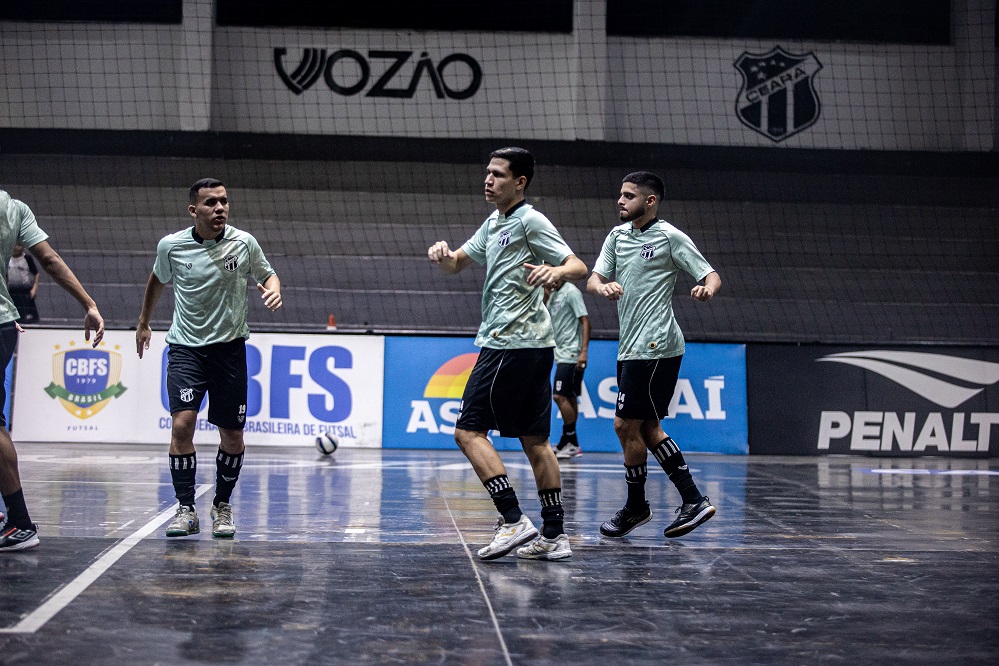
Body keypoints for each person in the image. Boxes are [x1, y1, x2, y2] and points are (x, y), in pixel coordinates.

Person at [428, 147, 587, 561]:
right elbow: (459, 264)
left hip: (510, 343)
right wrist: (444, 257)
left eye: (498, 174)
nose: (488, 180)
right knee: (535, 441)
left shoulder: (530, 220)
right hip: (532, 346)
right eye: (487, 173)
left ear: (520, 182)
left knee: (467, 432)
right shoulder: (493, 223)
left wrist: (556, 270)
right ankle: (554, 535)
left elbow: (577, 266)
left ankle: (513, 519)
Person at [136, 178, 281, 539]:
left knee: (232, 435)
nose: (220, 208)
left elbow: (268, 274)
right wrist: (143, 323)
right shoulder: (171, 246)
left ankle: (222, 505)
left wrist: (274, 290)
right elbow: (157, 279)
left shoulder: (243, 243)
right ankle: (185, 508)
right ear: (193, 210)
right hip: (186, 349)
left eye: (224, 202)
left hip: (229, 350)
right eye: (211, 203)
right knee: (182, 425)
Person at [587, 171, 722, 539]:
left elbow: (711, 275)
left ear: (650, 202)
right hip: (630, 346)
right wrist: (604, 287)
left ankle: (640, 507)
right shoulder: (617, 236)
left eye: (628, 196)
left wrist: (706, 290)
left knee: (624, 424)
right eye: (620, 194)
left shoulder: (670, 236)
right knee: (645, 427)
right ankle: (687, 500)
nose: (620, 201)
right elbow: (593, 279)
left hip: (656, 346)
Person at [0, 189, 104, 552]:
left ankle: (20, 523)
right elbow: (51, 258)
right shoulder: (12, 206)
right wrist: (88, 303)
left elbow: (46, 260)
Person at [544, 279, 590, 459]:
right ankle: (569, 442)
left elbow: (586, 321)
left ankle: (570, 440)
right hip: (560, 352)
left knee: (559, 395)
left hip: (572, 353)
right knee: (569, 396)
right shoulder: (553, 292)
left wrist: (583, 351)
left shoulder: (571, 292)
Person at [7, 242, 40, 323]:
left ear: (23, 247)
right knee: (14, 318)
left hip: (25, 291)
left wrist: (34, 288)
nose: (16, 248)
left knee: (31, 318)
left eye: (19, 245)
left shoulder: (27, 258)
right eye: (15, 246)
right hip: (12, 291)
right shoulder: (7, 258)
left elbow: (36, 273)